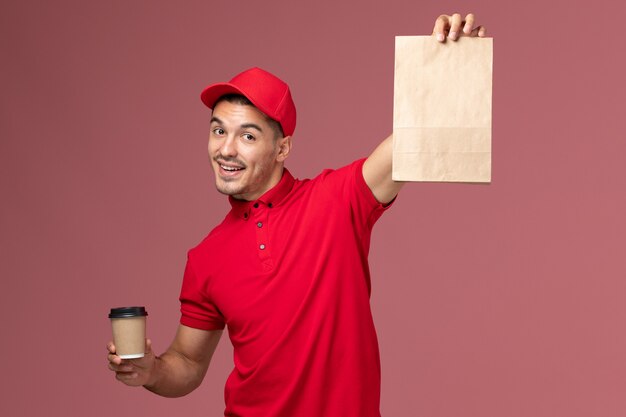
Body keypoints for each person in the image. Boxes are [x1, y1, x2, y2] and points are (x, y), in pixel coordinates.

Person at [107, 13, 487, 417]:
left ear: (283, 148)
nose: (226, 149)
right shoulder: (204, 258)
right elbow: (187, 363)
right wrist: (149, 371)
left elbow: (417, 139)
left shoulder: (337, 200)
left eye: (247, 136)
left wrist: (451, 60)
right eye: (219, 130)